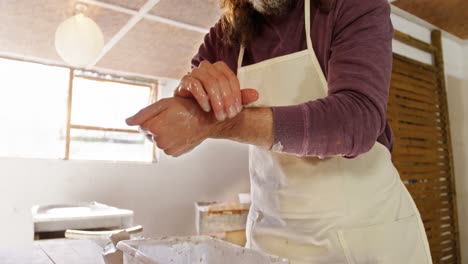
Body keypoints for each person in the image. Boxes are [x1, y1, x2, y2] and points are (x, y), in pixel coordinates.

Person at [126, 0, 433, 262]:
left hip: (365, 232)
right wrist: (184, 103)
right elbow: (184, 111)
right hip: (273, 236)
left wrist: (232, 124)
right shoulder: (226, 36)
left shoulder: (350, 5)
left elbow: (357, 120)